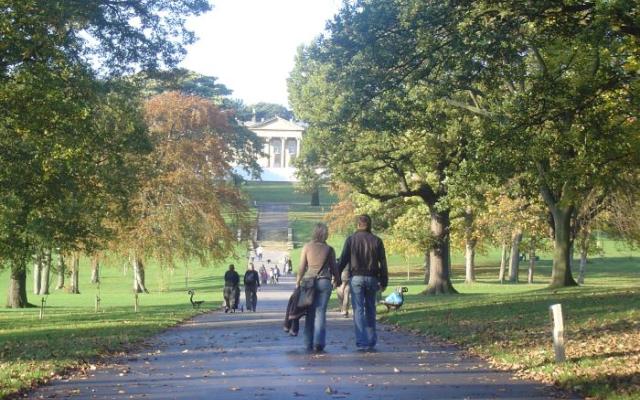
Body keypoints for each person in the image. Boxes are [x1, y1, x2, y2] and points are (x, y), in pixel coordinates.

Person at [337, 215, 388, 351]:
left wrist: (336, 277)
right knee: (371, 308)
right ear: (369, 225)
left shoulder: (351, 240)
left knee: (358, 310)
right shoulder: (377, 241)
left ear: (358, 225)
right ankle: (371, 340)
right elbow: (383, 262)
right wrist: (384, 281)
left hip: (356, 278)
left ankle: (361, 340)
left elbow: (343, 260)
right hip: (372, 277)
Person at [296, 223, 339, 352]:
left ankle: (308, 342)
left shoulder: (307, 247)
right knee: (320, 312)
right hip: (324, 281)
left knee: (310, 313)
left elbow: (302, 267)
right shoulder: (329, 249)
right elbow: (334, 268)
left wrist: (298, 281)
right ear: (325, 234)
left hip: (309, 282)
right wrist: (337, 279)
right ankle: (319, 342)